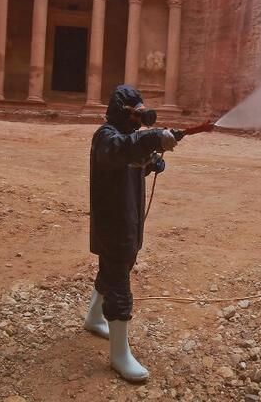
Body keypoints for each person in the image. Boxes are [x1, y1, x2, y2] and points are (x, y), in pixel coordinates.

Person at [84, 85, 179, 383]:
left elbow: (134, 156)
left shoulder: (127, 139)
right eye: (136, 112)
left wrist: (153, 160)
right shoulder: (106, 136)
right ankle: (119, 354)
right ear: (123, 111)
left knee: (115, 269)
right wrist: (151, 137)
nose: (140, 118)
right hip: (114, 222)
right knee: (120, 284)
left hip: (128, 219)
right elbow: (119, 151)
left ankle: (94, 318)